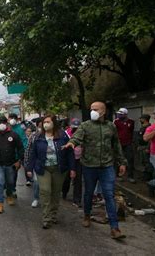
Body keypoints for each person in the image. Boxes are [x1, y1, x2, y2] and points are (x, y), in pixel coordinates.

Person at [63, 101, 127, 239]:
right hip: (89, 166)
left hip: (107, 166)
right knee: (89, 193)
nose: (92, 111)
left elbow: (116, 145)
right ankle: (87, 214)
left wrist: (122, 162)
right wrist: (71, 143)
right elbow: (76, 137)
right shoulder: (85, 126)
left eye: (96, 109)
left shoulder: (111, 127)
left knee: (109, 195)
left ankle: (114, 228)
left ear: (103, 111)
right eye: (91, 109)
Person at [29, 115, 74, 229]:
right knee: (45, 191)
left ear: (54, 123)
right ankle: (46, 218)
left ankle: (53, 215)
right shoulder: (39, 137)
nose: (46, 124)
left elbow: (69, 153)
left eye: (48, 122)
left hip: (59, 168)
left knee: (55, 192)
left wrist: (72, 168)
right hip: (43, 169)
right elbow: (33, 154)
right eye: (44, 122)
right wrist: (29, 168)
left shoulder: (63, 136)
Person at [0, 116, 24, 213]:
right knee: (0, 182)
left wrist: (19, 160)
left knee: (10, 182)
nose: (2, 124)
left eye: (4, 122)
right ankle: (0, 203)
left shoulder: (13, 135)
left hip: (11, 163)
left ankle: (9, 195)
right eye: (0, 122)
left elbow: (20, 148)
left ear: (7, 123)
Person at [62, 118, 83, 207]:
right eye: (74, 128)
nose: (75, 129)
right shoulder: (65, 134)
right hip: (68, 160)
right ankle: (64, 192)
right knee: (67, 178)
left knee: (78, 180)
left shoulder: (83, 134)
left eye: (77, 128)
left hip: (79, 159)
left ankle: (77, 199)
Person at [25, 118, 43, 208]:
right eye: (39, 126)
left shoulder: (54, 135)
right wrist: (28, 165)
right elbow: (28, 150)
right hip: (37, 163)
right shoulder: (33, 136)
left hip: (50, 164)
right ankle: (36, 198)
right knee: (36, 182)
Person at [114, 108, 135, 183]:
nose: (119, 115)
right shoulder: (116, 122)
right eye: (119, 114)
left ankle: (130, 176)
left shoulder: (131, 122)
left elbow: (131, 131)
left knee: (130, 159)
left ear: (125, 114)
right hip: (118, 143)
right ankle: (117, 175)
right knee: (118, 159)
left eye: (121, 114)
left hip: (128, 143)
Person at [9, 113, 27, 197]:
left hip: (16, 157)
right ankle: (7, 188)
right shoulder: (6, 128)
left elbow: (24, 142)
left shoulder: (20, 129)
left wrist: (20, 156)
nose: (12, 119)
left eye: (13, 118)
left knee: (13, 174)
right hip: (5, 156)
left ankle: (13, 190)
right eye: (10, 118)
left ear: (16, 119)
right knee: (6, 174)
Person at [137, 114, 153, 182]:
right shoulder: (142, 127)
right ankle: (144, 176)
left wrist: (148, 148)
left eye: (141, 118)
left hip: (145, 147)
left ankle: (148, 177)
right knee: (142, 162)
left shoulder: (149, 127)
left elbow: (150, 139)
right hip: (141, 147)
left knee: (147, 162)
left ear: (145, 119)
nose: (140, 120)